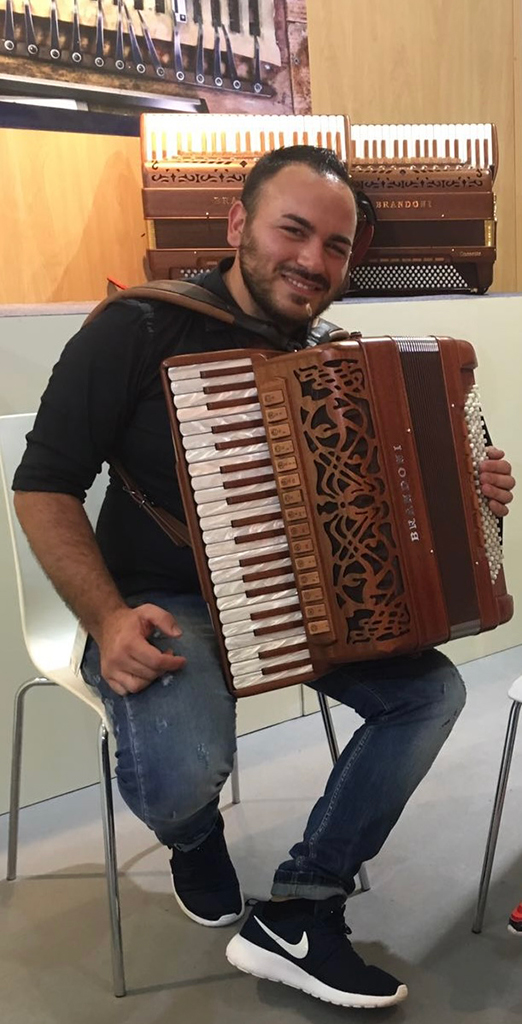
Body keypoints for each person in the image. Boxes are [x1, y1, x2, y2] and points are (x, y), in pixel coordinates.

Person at [13, 146, 515, 1010]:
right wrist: (104, 619)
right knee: (184, 772)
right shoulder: (138, 329)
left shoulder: (331, 354)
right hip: (160, 602)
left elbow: (386, 499)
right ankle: (194, 838)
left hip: (302, 601)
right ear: (239, 224)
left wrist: (473, 487)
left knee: (431, 695)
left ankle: (301, 907)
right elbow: (43, 486)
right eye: (294, 231)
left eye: (336, 247)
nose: (314, 261)